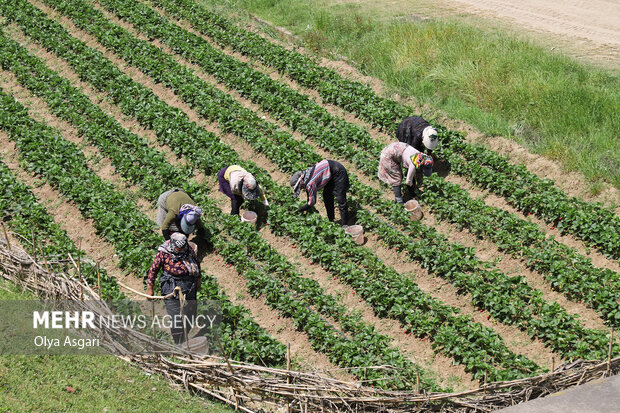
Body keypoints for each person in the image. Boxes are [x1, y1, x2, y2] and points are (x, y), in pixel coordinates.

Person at [146, 232, 200, 344]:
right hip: (170, 286)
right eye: (178, 249)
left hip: (188, 285)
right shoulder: (164, 253)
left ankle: (184, 335)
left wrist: (198, 281)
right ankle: (178, 342)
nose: (180, 251)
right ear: (172, 245)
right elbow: (153, 269)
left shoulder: (189, 250)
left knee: (192, 313)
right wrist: (150, 287)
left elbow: (197, 265)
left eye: (182, 249)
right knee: (175, 317)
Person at [289, 159, 349, 225]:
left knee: (340, 198)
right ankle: (331, 221)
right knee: (327, 196)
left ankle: (345, 224)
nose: (301, 189)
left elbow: (312, 202)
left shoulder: (309, 183)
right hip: (329, 172)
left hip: (338, 171)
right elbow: (309, 195)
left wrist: (301, 209)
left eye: (300, 187)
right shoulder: (305, 176)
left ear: (300, 182)